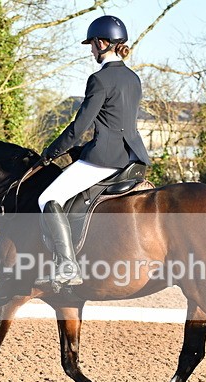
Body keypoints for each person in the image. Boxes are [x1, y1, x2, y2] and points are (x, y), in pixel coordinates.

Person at [37, 15, 151, 286]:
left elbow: (79, 127)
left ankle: (66, 266)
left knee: (48, 197)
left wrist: (50, 153)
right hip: (133, 157)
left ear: (102, 43)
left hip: (104, 159)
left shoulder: (99, 79)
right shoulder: (133, 78)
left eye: (92, 45)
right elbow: (118, 123)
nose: (91, 50)